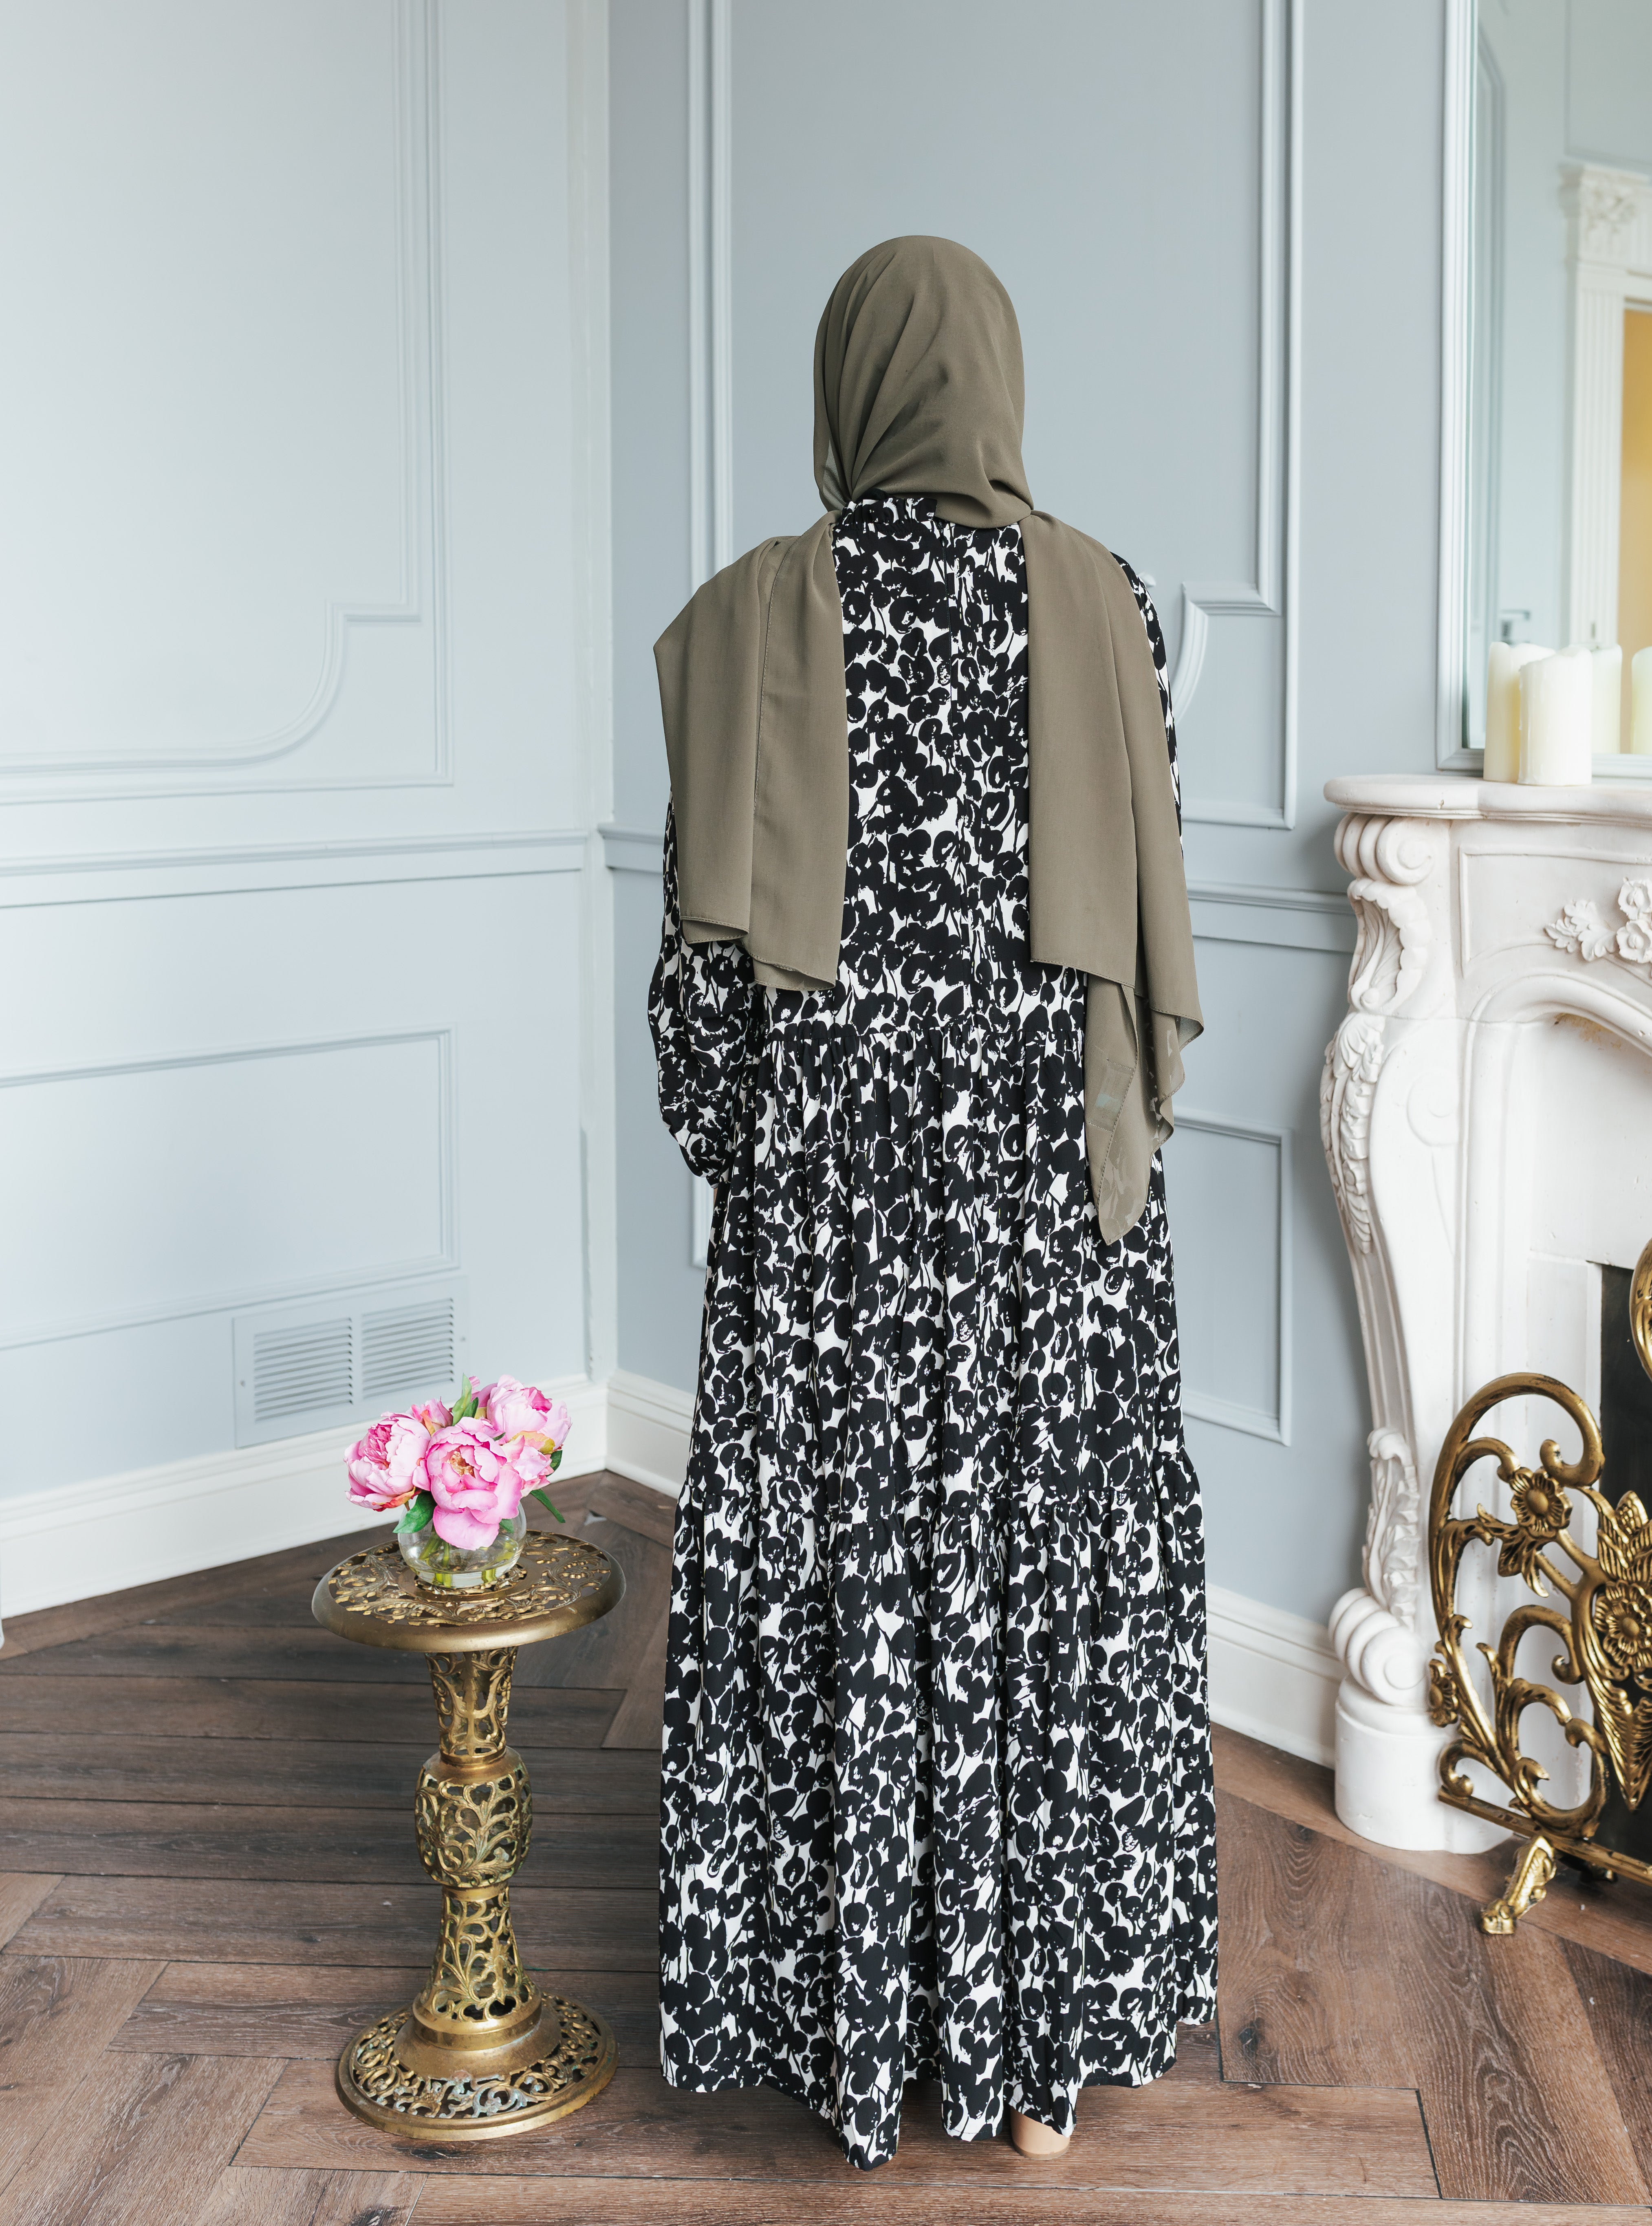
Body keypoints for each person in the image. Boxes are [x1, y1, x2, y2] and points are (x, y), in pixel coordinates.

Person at [648, 235, 1216, 2172]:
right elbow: (1146, 929)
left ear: (846, 390)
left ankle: (847, 2032)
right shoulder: (1106, 602)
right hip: (1054, 1236)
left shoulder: (749, 615)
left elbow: (704, 1006)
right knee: (1039, 1600)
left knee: (842, 1598)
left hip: (832, 1246)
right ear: (999, 378)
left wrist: (759, 1158)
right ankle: (1036, 2062)